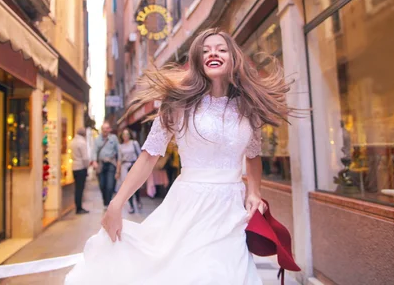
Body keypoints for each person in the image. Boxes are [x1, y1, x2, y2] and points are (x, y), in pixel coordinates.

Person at [65, 28, 292, 284]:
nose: (213, 53)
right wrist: (117, 203)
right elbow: (149, 157)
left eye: (220, 48)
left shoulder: (247, 107)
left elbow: (253, 155)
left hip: (231, 209)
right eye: (205, 51)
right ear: (197, 60)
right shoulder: (177, 103)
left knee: (232, 275)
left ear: (233, 57)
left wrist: (254, 192)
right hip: (189, 206)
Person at [91, 122, 120, 209]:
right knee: (102, 184)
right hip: (101, 164)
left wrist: (119, 166)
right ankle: (105, 201)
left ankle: (108, 203)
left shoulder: (113, 138)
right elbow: (94, 151)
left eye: (107, 128)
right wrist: (94, 161)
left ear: (109, 129)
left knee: (110, 185)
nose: (105, 130)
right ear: (101, 129)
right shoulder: (97, 139)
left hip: (111, 163)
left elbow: (118, 151)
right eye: (104, 128)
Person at [116, 128, 142, 213]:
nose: (125, 136)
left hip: (133, 166)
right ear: (122, 136)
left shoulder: (134, 143)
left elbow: (140, 156)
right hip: (124, 167)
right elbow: (119, 159)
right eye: (124, 134)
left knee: (135, 186)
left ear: (130, 135)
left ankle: (138, 200)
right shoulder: (120, 146)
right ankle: (131, 206)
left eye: (127, 134)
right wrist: (118, 172)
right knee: (127, 188)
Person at [70, 127, 89, 214]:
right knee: (80, 189)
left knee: (77, 188)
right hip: (81, 167)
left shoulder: (73, 141)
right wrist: (86, 167)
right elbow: (85, 158)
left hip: (74, 167)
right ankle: (79, 208)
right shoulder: (82, 142)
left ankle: (78, 206)